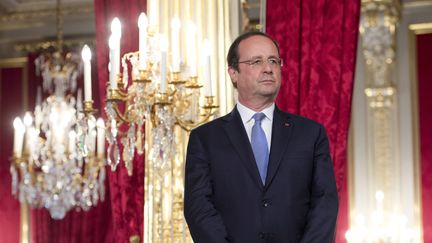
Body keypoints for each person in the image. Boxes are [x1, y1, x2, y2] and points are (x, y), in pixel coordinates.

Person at [184, 31, 339, 243]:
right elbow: (198, 208)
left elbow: (325, 204)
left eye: (273, 61)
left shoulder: (310, 134)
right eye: (256, 61)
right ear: (233, 73)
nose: (268, 68)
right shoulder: (205, 139)